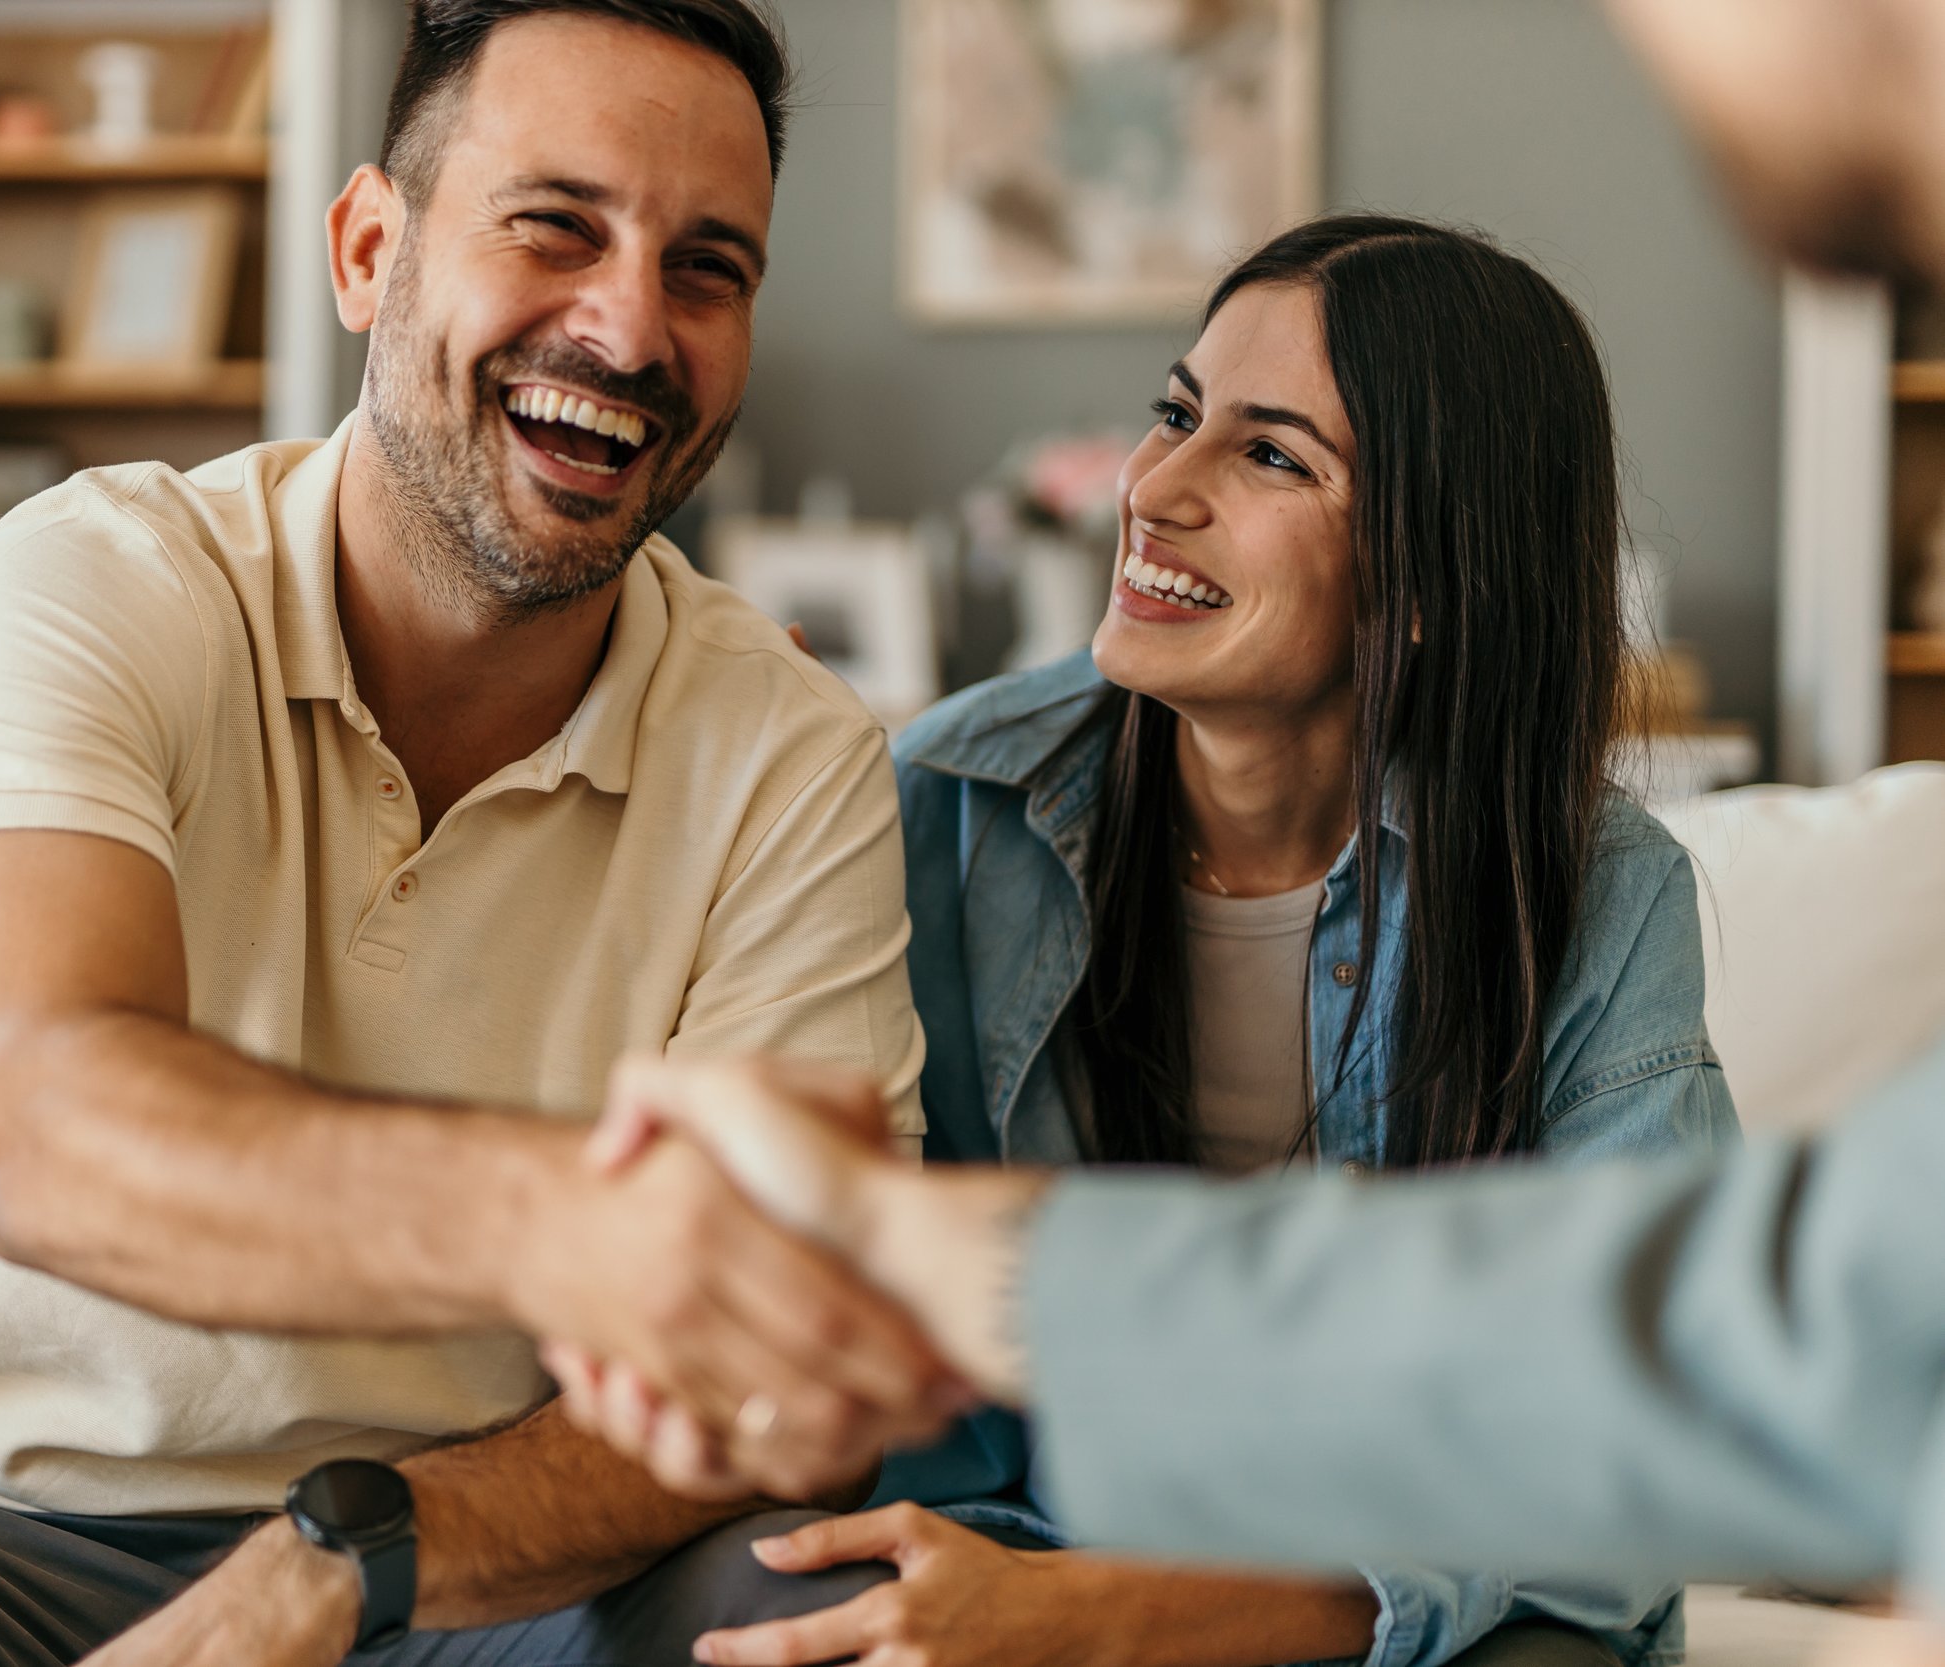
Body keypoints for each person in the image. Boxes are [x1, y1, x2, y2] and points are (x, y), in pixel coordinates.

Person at [0, 3, 970, 1665]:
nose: (629, 325)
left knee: (830, 1622)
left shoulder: (793, 756)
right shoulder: (92, 584)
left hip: (475, 1562)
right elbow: (53, 1125)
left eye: (708, 267)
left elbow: (765, 1380)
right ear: (370, 251)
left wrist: (340, 1560)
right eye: (555, 226)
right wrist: (588, 1225)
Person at [546, 0, 1945, 1634]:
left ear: (1426, 579)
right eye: (1175, 408)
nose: (1158, 485)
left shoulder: (1588, 890)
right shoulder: (942, 804)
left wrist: (1155, 1621)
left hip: (1401, 1589)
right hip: (1021, 1527)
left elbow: (1626, 1478)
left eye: (1271, 456)